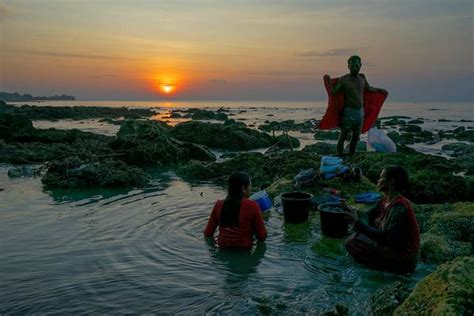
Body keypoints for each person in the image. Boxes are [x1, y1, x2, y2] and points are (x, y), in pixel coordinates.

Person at [344, 165, 420, 274]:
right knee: (354, 238)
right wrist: (349, 209)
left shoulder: (400, 206)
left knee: (352, 243)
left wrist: (356, 223)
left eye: (381, 178)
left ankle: (379, 273)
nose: (378, 181)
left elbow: (386, 237)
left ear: (391, 182)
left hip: (404, 259)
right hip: (391, 249)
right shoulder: (384, 202)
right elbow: (367, 217)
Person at [324, 55, 388, 156]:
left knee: (355, 136)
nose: (355, 68)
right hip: (348, 112)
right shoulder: (343, 79)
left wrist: (380, 90)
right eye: (352, 65)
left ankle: (351, 155)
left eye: (357, 65)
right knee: (343, 135)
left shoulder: (362, 77)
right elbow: (334, 92)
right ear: (348, 66)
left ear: (360, 65)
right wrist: (328, 82)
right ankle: (340, 155)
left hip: (360, 112)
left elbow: (369, 88)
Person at [204, 171, 267, 249]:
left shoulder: (219, 205)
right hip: (245, 252)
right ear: (243, 188)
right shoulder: (252, 205)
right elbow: (262, 237)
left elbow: (208, 233)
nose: (251, 189)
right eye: (250, 186)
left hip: (222, 251)